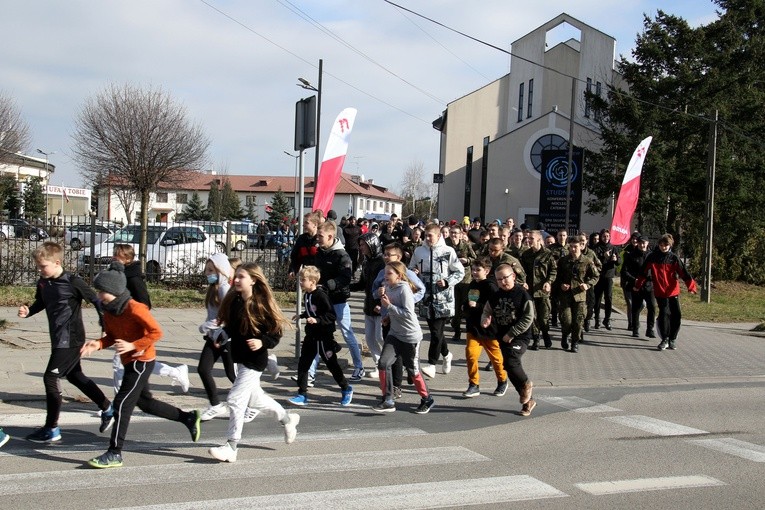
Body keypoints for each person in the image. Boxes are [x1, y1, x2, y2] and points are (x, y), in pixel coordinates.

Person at [80, 261, 202, 468]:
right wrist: (98, 344)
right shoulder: (109, 311)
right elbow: (111, 337)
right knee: (145, 403)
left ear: (115, 291)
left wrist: (133, 345)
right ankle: (188, 418)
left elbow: (156, 332)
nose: (99, 295)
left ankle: (115, 452)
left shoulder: (135, 308)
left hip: (142, 361)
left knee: (121, 404)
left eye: (102, 291)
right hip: (129, 361)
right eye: (98, 291)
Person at [18, 242, 113, 444]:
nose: (40, 270)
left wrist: (104, 324)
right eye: (38, 266)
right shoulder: (43, 282)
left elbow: (96, 301)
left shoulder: (73, 281)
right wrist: (28, 312)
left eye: (43, 266)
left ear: (57, 262)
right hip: (57, 337)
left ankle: (52, 428)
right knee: (75, 376)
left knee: (50, 378)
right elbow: (40, 303)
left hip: (71, 338)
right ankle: (107, 407)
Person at [208, 263, 299, 463]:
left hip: (255, 361)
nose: (236, 280)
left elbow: (276, 333)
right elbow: (233, 327)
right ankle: (287, 419)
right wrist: (222, 334)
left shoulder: (261, 304)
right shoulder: (235, 300)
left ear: (253, 280)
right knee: (256, 400)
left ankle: (231, 446)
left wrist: (262, 342)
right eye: (236, 276)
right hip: (240, 358)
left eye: (241, 277)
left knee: (235, 399)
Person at [111, 244, 189, 395]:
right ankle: (175, 372)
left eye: (117, 255)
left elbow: (145, 302)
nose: (114, 257)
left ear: (127, 259)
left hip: (135, 327)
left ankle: (117, 403)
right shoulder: (118, 274)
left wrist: (131, 316)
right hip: (125, 326)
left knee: (120, 363)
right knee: (139, 362)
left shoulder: (132, 277)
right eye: (114, 254)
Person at [373, 261, 435, 414]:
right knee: (383, 363)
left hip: (410, 337)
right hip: (395, 334)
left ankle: (427, 398)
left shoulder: (404, 290)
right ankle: (388, 400)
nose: (385, 277)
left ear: (399, 276)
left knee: (413, 370)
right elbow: (391, 308)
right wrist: (386, 315)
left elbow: (408, 313)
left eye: (389, 274)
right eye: (385, 273)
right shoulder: (387, 287)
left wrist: (389, 307)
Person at [288, 266, 353, 407]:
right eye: (300, 279)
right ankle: (302, 394)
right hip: (311, 336)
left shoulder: (321, 295)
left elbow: (330, 315)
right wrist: (303, 315)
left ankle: (346, 388)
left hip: (324, 337)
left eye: (303, 280)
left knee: (332, 365)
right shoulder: (307, 295)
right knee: (303, 364)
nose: (300, 282)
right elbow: (312, 310)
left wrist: (317, 320)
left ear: (312, 282)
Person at [409, 223, 465, 379]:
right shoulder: (419, 251)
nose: (427, 239)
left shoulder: (448, 251)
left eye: (430, 236)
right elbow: (411, 267)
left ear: (439, 235)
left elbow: (460, 271)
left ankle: (432, 364)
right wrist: (414, 272)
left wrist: (447, 281)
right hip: (426, 298)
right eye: (425, 236)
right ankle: (447, 355)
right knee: (436, 332)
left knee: (435, 332)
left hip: (443, 299)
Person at [480, 264, 536, 416]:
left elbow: (529, 317)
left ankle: (526, 384)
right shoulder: (495, 296)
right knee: (509, 368)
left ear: (513, 277)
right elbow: (487, 311)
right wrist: (485, 320)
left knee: (512, 360)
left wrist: (512, 333)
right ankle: (528, 401)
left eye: (506, 277)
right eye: (499, 279)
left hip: (520, 336)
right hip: (502, 336)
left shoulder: (522, 294)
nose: (503, 281)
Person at [372, 242, 425, 399]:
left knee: (405, 360)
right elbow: (374, 292)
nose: (386, 257)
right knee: (389, 358)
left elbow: (421, 289)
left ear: (399, 257)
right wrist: (379, 293)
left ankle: (409, 387)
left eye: (390, 255)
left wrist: (407, 300)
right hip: (389, 318)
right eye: (385, 254)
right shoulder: (383, 272)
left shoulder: (406, 274)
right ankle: (391, 392)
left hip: (407, 327)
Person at [315, 220, 366, 380]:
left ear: (330, 236)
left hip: (338, 301)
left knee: (347, 333)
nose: (317, 238)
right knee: (320, 334)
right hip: (323, 300)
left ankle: (359, 367)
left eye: (320, 236)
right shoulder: (320, 252)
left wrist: (330, 284)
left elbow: (345, 277)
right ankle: (310, 372)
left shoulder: (342, 255)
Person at [635, 234, 697, 351]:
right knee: (664, 314)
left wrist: (691, 286)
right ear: (659, 245)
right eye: (661, 245)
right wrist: (638, 285)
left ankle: (672, 339)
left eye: (666, 245)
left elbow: (684, 272)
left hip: (673, 291)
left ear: (670, 245)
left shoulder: (674, 258)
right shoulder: (652, 257)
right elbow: (643, 272)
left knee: (676, 315)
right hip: (659, 291)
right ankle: (664, 339)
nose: (663, 247)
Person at [197, 254, 238, 421]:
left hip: (225, 338)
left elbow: (227, 315)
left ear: (221, 270)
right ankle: (215, 405)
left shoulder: (224, 288)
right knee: (203, 369)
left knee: (232, 375)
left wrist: (207, 325)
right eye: (207, 270)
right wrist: (208, 328)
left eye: (211, 270)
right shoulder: (214, 287)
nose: (207, 273)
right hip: (213, 337)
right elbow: (214, 313)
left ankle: (253, 403)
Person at [462, 257, 507, 398]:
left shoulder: (490, 286)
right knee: (471, 355)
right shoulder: (472, 285)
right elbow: (469, 302)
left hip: (489, 329)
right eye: (473, 269)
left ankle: (502, 380)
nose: (474, 272)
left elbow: (495, 306)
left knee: (496, 359)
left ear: (486, 271)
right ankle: (474, 385)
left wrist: (479, 306)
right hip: (473, 328)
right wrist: (465, 307)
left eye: (478, 270)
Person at [351, 233, 386, 377]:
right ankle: (379, 365)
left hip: (380, 307)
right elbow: (362, 284)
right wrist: (347, 287)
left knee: (380, 337)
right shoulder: (366, 262)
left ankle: (392, 360)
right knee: (370, 338)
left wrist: (381, 304)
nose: (361, 247)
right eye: (360, 245)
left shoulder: (382, 263)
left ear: (371, 244)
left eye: (363, 244)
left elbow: (386, 285)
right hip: (369, 306)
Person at [557, 237, 600, 353]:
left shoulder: (587, 261)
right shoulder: (563, 261)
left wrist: (588, 284)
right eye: (570, 246)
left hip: (579, 295)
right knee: (566, 320)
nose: (572, 249)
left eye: (575, 246)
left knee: (578, 321)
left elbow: (595, 276)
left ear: (581, 246)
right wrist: (561, 284)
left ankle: (575, 342)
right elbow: (557, 276)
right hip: (566, 295)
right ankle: (565, 335)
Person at [520, 231, 557, 350]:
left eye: (531, 238)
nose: (528, 240)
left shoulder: (548, 254)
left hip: (543, 291)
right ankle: (536, 339)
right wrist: (523, 282)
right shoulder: (526, 254)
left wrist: (549, 282)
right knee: (533, 316)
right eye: (528, 238)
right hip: (530, 290)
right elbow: (522, 272)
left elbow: (553, 271)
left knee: (544, 317)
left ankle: (545, 334)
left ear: (539, 240)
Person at [621, 236, 656, 338]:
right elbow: (624, 272)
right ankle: (635, 329)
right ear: (638, 244)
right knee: (636, 308)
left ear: (648, 243)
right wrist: (634, 280)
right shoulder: (631, 256)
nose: (642, 245)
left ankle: (650, 329)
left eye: (644, 243)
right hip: (636, 286)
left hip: (649, 285)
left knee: (652, 307)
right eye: (640, 243)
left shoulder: (652, 256)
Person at [446, 224, 476, 342]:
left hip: (465, 280)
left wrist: (467, 260)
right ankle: (457, 331)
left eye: (456, 233)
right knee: (455, 307)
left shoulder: (466, 245)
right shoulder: (446, 245)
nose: (453, 235)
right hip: (451, 279)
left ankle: (470, 331)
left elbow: (475, 259)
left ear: (460, 234)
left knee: (466, 307)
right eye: (452, 232)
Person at [593, 229, 620, 330]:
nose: (606, 238)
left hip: (609, 276)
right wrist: (603, 257)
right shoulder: (596, 248)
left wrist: (615, 259)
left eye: (607, 236)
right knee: (597, 298)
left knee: (608, 298)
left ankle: (607, 319)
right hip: (599, 276)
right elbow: (594, 262)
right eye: (604, 236)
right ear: (601, 237)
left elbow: (618, 262)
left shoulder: (613, 248)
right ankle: (597, 319)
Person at [289, 211, 321, 278]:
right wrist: (293, 269)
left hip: (320, 277)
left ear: (315, 224)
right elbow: (295, 257)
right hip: (307, 277)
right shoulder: (301, 239)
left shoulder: (321, 239)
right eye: (303, 222)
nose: (303, 225)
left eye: (306, 223)